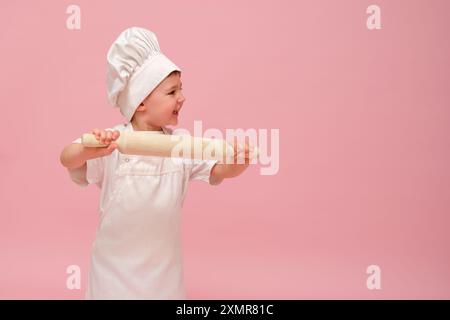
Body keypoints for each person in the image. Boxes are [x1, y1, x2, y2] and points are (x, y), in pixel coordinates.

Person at [59, 27, 252, 299]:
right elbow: (67, 158)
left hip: (163, 273)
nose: (182, 98)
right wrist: (91, 149)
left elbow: (220, 170)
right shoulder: (114, 142)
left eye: (181, 89)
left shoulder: (182, 145)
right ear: (140, 103)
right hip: (113, 270)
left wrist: (238, 163)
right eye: (172, 92)